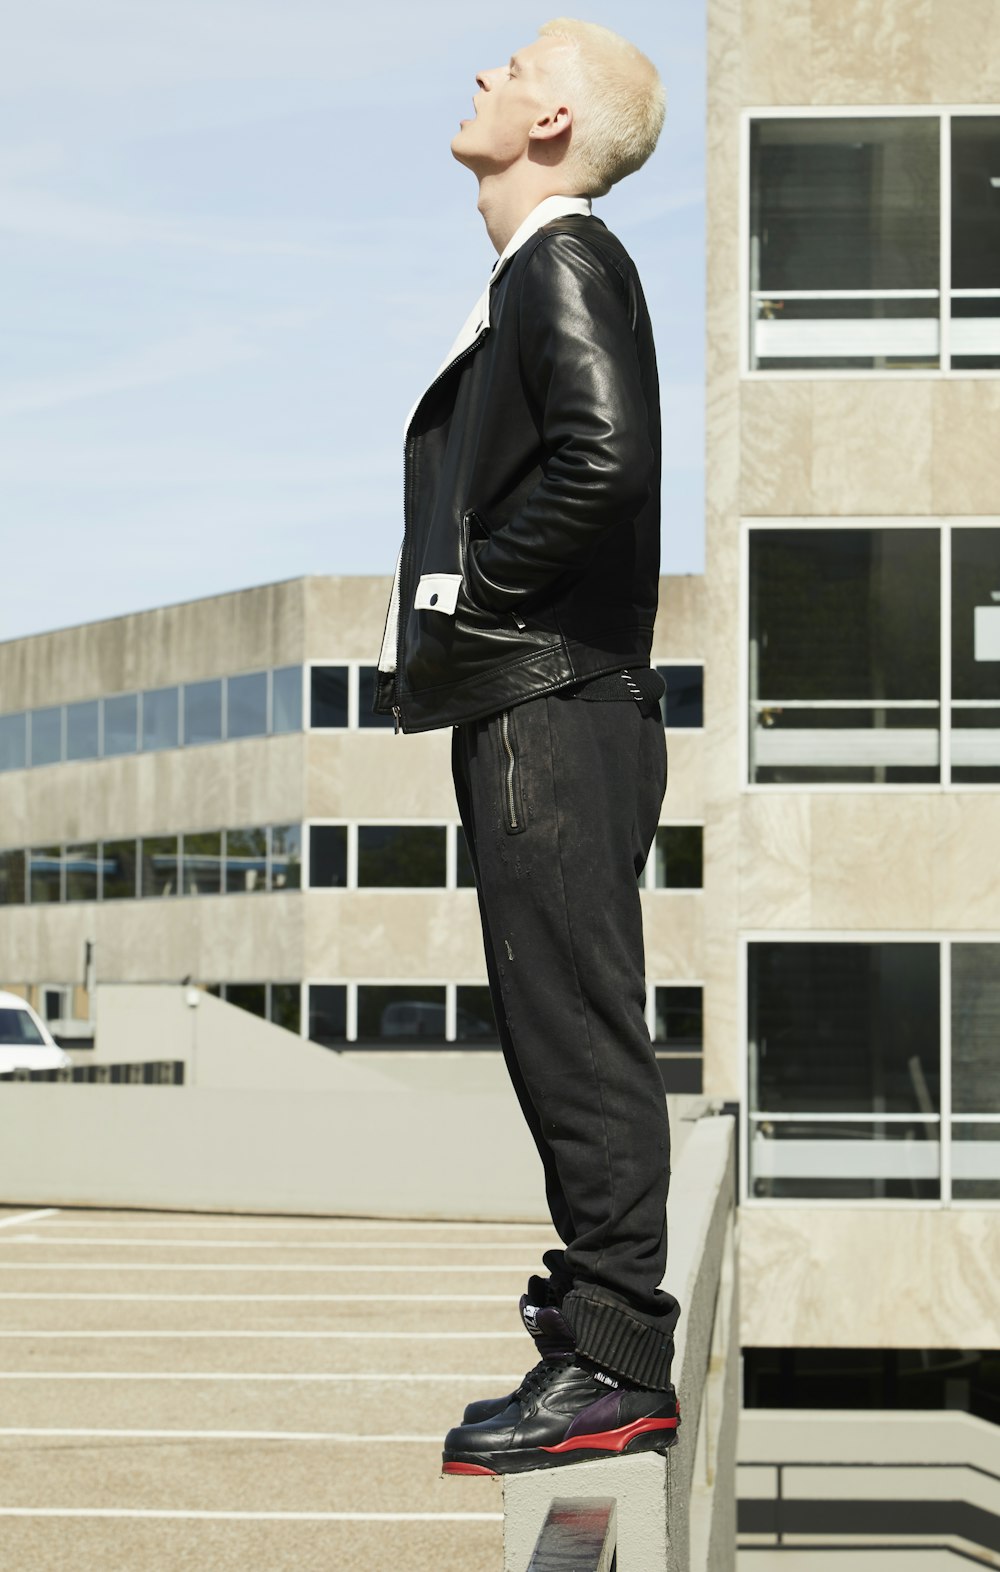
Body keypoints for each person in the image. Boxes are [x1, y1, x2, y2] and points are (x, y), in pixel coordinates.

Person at [373, 17, 681, 1476]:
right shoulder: (539, 276)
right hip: (548, 704)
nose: (484, 76)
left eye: (511, 66)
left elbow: (607, 461)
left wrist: (479, 588)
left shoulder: (562, 260)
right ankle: (595, 1333)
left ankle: (617, 1353)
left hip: (550, 706)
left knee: (572, 1023)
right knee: (558, 1014)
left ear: (552, 122)